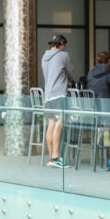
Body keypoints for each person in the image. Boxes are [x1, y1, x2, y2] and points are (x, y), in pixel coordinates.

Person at [42, 34, 77, 168]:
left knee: (51, 124)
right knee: (60, 123)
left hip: (48, 95)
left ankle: (51, 157)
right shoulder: (63, 55)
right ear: (61, 44)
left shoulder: (44, 57)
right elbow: (71, 72)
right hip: (59, 95)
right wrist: (74, 81)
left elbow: (51, 75)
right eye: (64, 46)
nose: (64, 48)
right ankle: (56, 157)